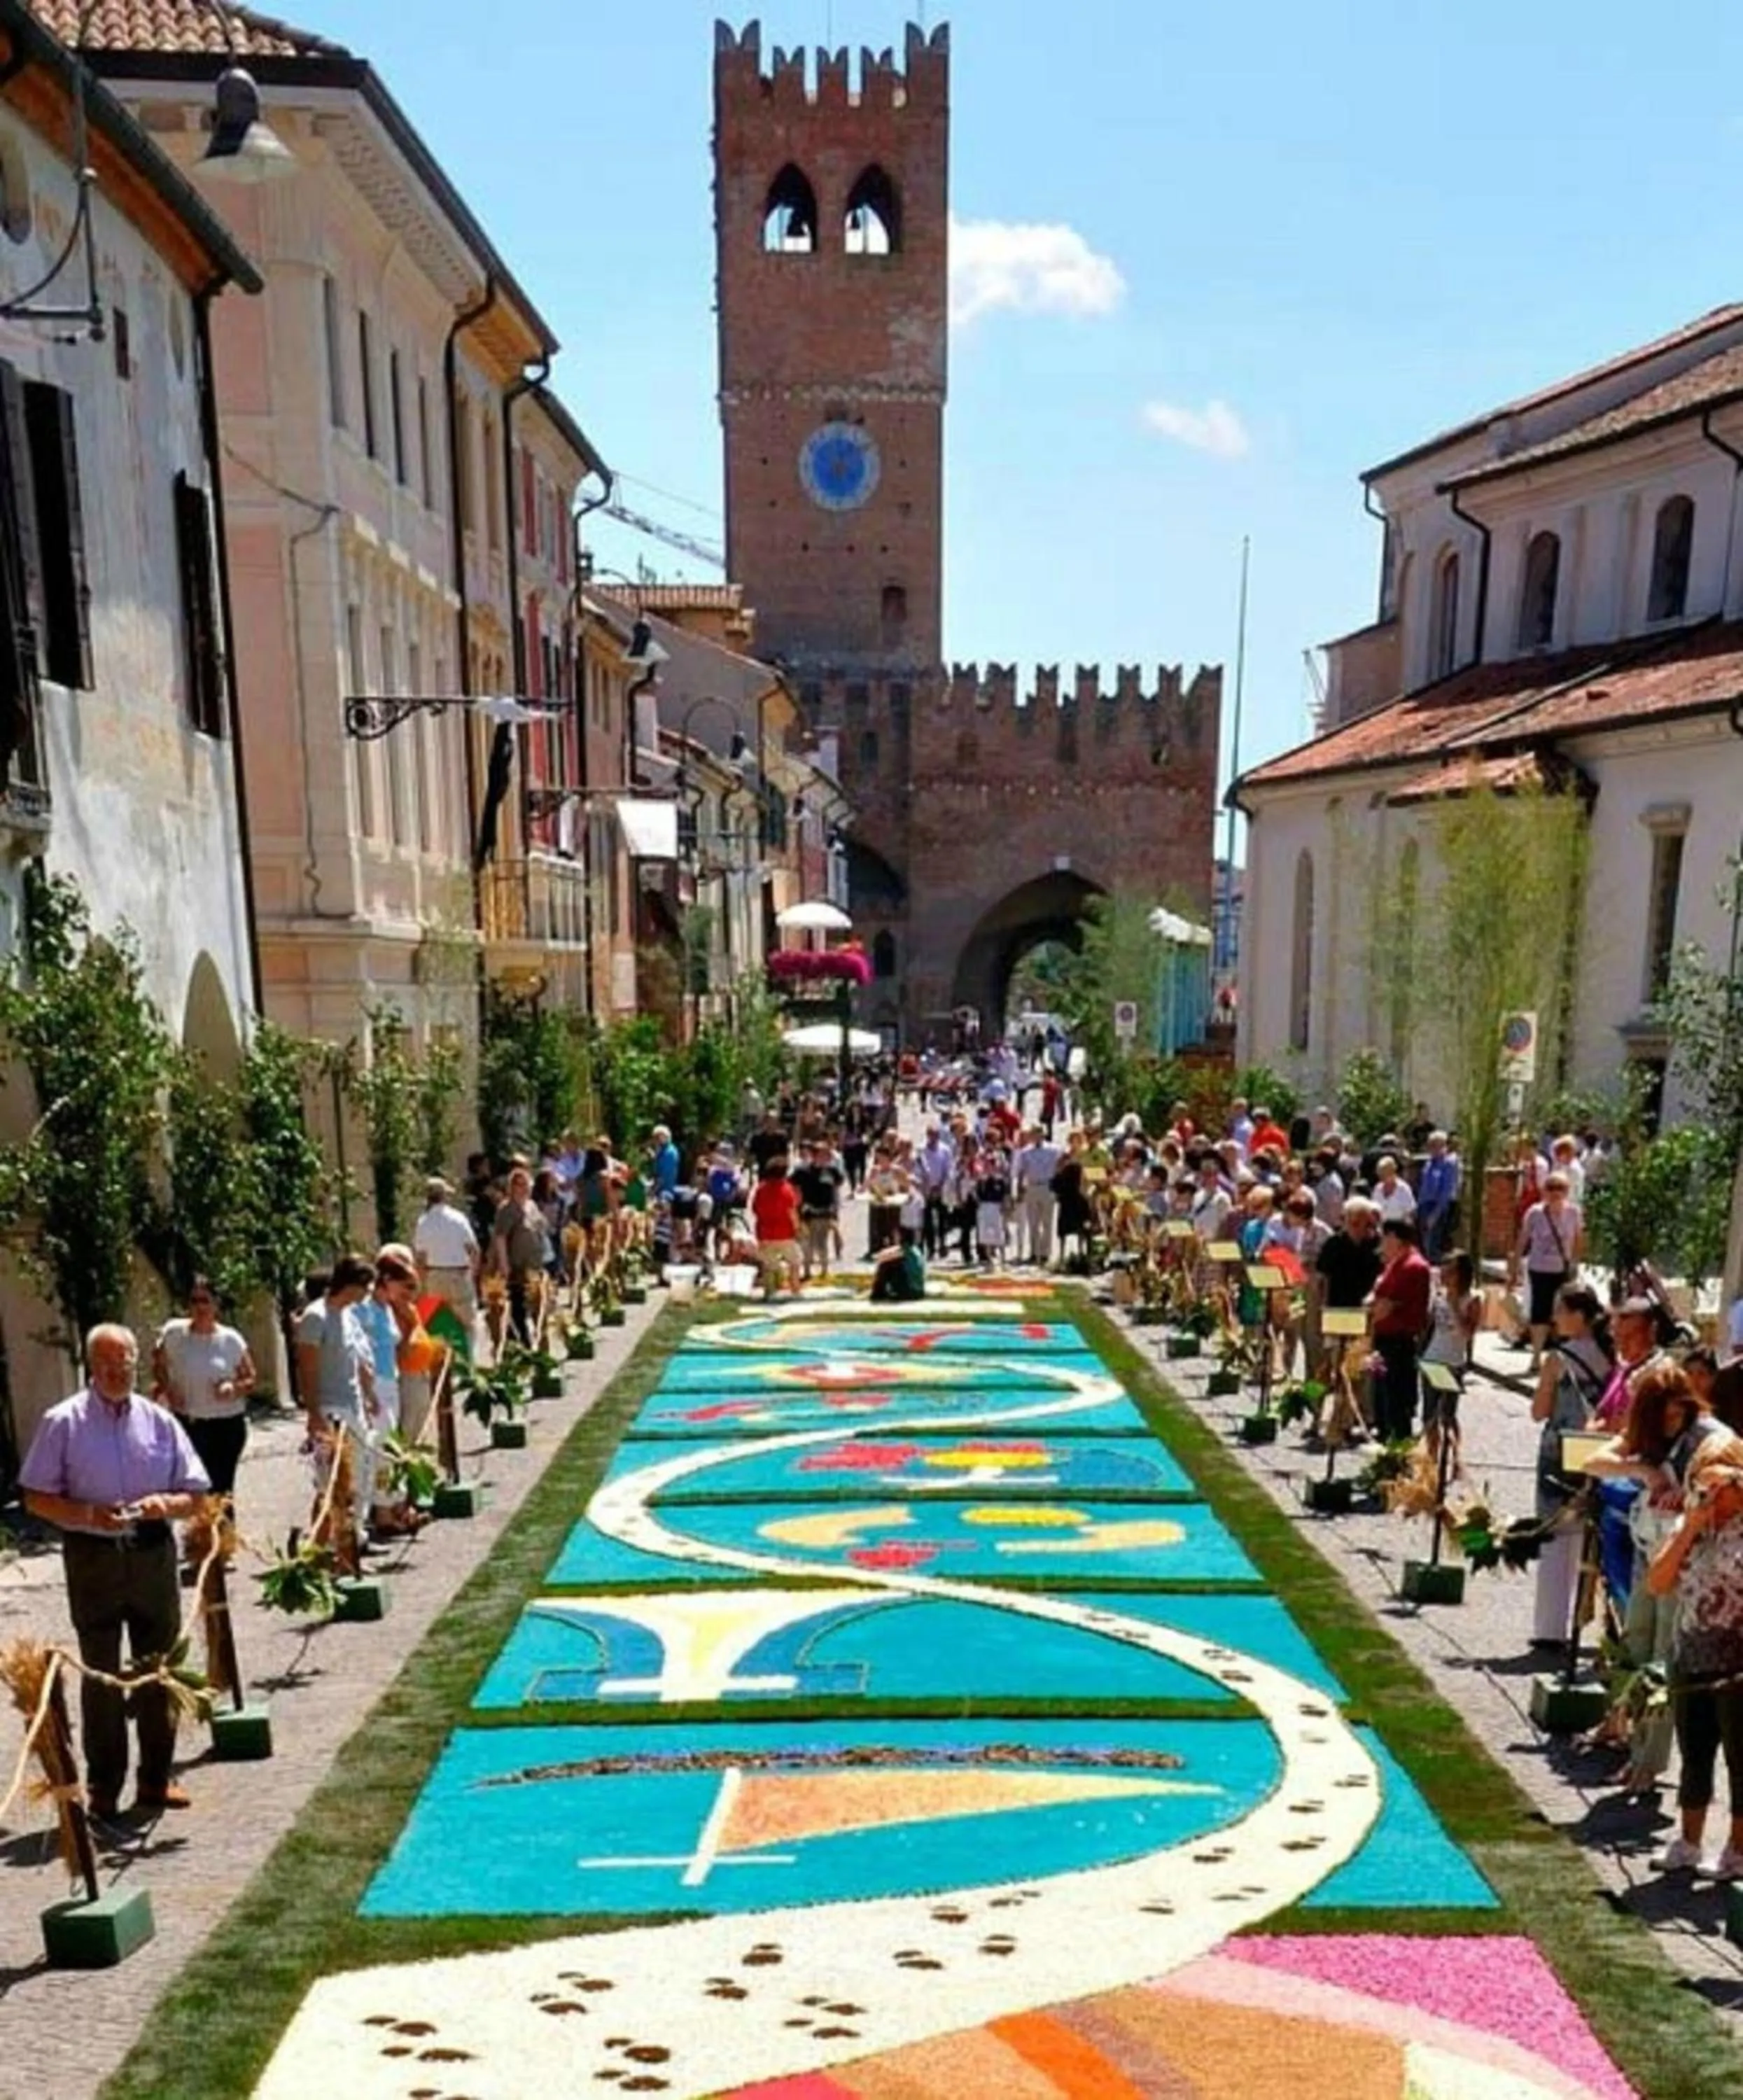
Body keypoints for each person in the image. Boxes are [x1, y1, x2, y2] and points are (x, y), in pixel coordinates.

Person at [20, 1324, 211, 1819]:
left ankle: (156, 1778)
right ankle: (104, 1786)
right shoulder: (63, 1421)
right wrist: (87, 1515)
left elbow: (196, 1493)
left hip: (151, 1552)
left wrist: (162, 1504)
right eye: (109, 1365)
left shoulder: (159, 1421)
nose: (119, 1373)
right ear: (91, 1366)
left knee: (159, 1668)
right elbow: (36, 1496)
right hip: (93, 1558)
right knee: (100, 1672)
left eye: (126, 1364)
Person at [1644, 1371, 1743, 1877]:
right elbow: (1658, 1582)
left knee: (1741, 1759)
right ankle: (1688, 1842)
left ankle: (1737, 1851)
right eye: (1701, 1482)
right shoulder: (1694, 1520)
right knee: (1695, 1750)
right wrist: (1690, 1528)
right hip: (1691, 1649)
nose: (1708, 1493)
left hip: (1737, 1657)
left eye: (1718, 1484)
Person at [1529, 1284, 1614, 1650]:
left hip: (1559, 1451)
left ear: (1578, 1315)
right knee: (1588, 1538)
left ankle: (1550, 1629)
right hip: (1597, 1451)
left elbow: (1539, 1411)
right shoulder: (1610, 1356)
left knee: (1553, 1538)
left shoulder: (1558, 1359)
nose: (1555, 1317)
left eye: (1561, 1310)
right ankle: (1584, 1621)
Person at [294, 1256, 380, 1546]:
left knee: (358, 1479)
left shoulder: (348, 1314)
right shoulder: (315, 1317)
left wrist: (369, 1398)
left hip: (352, 1406)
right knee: (330, 1483)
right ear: (351, 1285)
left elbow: (356, 1362)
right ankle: (321, 1549)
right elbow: (307, 1369)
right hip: (330, 1410)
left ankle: (350, 1541)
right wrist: (315, 1414)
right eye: (364, 1287)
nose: (366, 1294)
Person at [153, 1278, 254, 1506]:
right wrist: (168, 1389)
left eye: (205, 1301)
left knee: (222, 1488)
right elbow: (158, 1366)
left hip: (227, 1424)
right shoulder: (174, 1334)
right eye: (194, 1301)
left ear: (216, 1305)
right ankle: (199, 1537)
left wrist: (233, 1388)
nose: (200, 1307)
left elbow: (250, 1378)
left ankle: (223, 1536)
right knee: (197, 1486)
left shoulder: (231, 1340)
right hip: (191, 1422)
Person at [1511, 1171, 1584, 1368]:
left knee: (1563, 1311)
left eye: (1560, 1188)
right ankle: (1536, 1355)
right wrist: (1514, 1267)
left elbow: (1579, 1239)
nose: (1555, 1193)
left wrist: (1576, 1264)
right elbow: (1522, 1240)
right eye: (1551, 1187)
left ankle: (1561, 1354)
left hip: (1562, 1269)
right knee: (1539, 1311)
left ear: (1567, 1191)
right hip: (1539, 1268)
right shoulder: (1535, 1213)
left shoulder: (1573, 1212)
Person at [1370, 1217, 1432, 1445]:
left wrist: (1370, 1313)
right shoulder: (1395, 1263)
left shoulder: (1412, 1266)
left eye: (1385, 1237)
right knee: (1380, 1390)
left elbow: (1388, 1305)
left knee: (1395, 1397)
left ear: (1395, 1238)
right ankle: (1382, 1432)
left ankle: (1397, 1446)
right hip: (1382, 1338)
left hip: (1397, 1340)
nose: (1382, 1242)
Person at [1418, 1250, 1479, 1469]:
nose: (1446, 1275)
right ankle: (1432, 1458)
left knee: (1448, 1415)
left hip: (1452, 1363)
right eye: (1444, 1270)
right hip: (1432, 1359)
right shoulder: (1438, 1296)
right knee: (1429, 1414)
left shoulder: (1471, 1300)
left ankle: (1454, 1457)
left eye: (1451, 1271)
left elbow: (1467, 1333)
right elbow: (1430, 1327)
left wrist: (1454, 1305)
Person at [492, 1164, 550, 1348]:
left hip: (535, 1265)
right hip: (517, 1266)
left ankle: (537, 1340)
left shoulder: (531, 1206)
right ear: (512, 1187)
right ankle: (520, 1343)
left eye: (526, 1184)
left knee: (538, 1306)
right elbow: (500, 1238)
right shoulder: (507, 1209)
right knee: (518, 1307)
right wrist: (504, 1264)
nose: (524, 1188)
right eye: (519, 1185)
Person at [414, 1177, 481, 1329]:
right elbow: (473, 1250)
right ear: (444, 1196)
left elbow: (421, 1258)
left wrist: (422, 1285)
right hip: (459, 1274)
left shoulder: (424, 1222)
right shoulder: (458, 1218)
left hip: (435, 1276)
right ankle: (466, 1352)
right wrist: (473, 1273)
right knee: (465, 1325)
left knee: (440, 1325)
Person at [792, 1138, 844, 1284]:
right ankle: (807, 1271)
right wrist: (798, 1205)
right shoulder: (803, 1172)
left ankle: (824, 1270)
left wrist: (834, 1209)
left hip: (825, 1212)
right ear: (815, 1155)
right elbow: (793, 1186)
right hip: (807, 1212)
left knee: (822, 1243)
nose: (827, 1157)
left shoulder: (832, 1171)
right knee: (806, 1243)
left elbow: (837, 1187)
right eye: (823, 1154)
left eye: (828, 1154)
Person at [751, 1156, 803, 1300]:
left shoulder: (761, 1188)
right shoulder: (787, 1190)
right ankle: (795, 1290)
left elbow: (755, 1209)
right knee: (795, 1262)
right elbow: (791, 1212)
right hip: (785, 1233)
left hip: (765, 1233)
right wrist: (798, 1228)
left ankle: (769, 1292)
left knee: (768, 1265)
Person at [1014, 1124, 1062, 1267]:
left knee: (1047, 1222)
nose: (1036, 1136)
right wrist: (1020, 1191)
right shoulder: (1025, 1152)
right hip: (1032, 1186)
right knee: (1033, 1222)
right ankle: (1034, 1252)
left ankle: (1046, 1253)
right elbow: (1021, 1172)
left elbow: (1060, 1167)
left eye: (1039, 1133)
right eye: (1034, 1134)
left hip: (1047, 1186)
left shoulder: (1054, 1150)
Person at [1416, 1133, 1460, 1261]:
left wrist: (1435, 1215)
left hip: (1437, 1207)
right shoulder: (1429, 1164)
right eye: (1430, 1145)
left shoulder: (1448, 1164)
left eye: (1435, 1145)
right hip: (1424, 1206)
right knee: (1424, 1246)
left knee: (1433, 1246)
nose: (1431, 1149)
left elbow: (1446, 1191)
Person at [872, 1225, 927, 1303]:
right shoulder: (914, 1249)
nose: (894, 1237)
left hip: (911, 1292)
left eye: (896, 1235)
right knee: (893, 1263)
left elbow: (881, 1258)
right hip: (919, 1291)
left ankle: (878, 1294)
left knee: (886, 1265)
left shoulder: (905, 1250)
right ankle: (880, 1293)